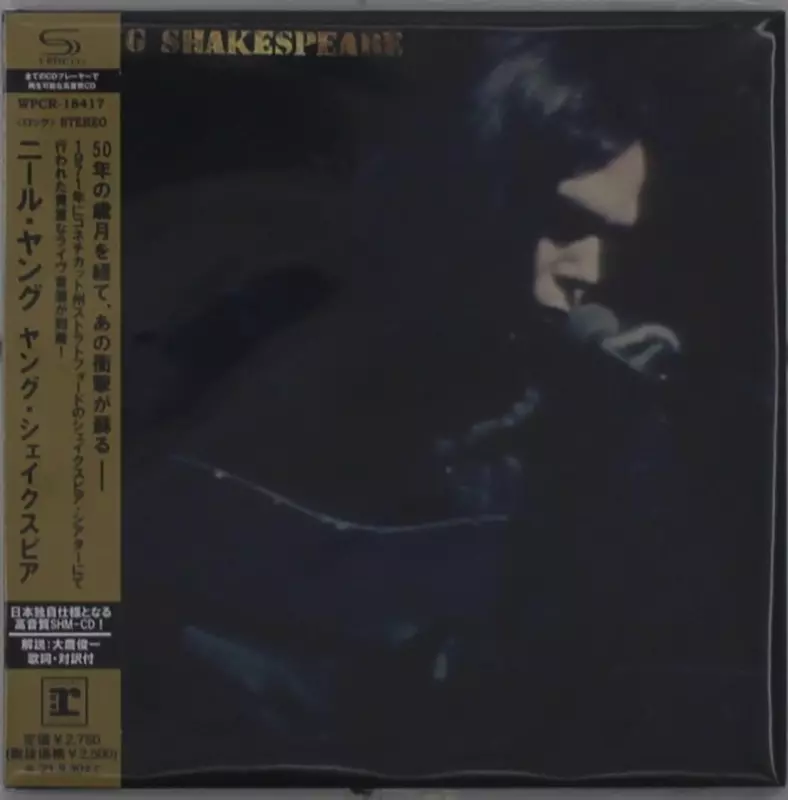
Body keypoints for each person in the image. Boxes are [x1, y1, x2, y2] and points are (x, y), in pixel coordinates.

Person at [122, 31, 767, 780]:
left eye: (608, 239)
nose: (587, 272)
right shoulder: (266, 362)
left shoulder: (592, 426)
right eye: (564, 226)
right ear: (477, 201)